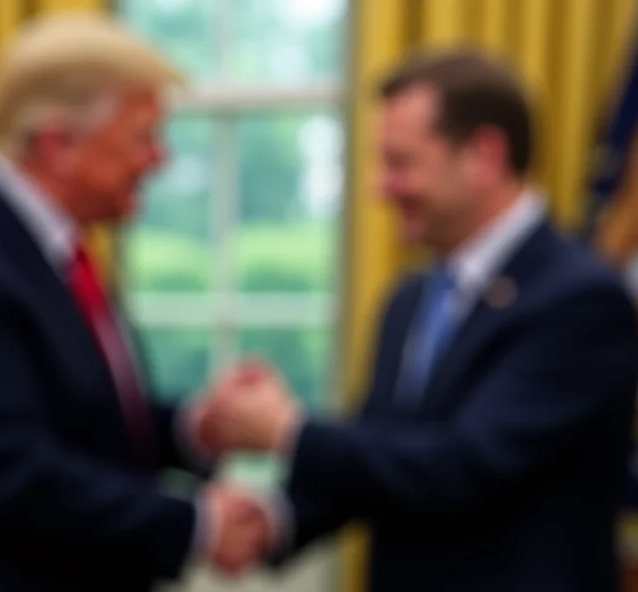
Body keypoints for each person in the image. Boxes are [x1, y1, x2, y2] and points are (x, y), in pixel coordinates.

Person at [0, 14, 271, 592]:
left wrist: (194, 428)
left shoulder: (50, 248)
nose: (159, 160)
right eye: (142, 138)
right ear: (59, 144)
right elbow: (8, 475)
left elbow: (83, 418)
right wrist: (197, 526)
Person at [202, 50, 638, 592]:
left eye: (400, 163)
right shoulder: (409, 298)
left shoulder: (581, 300)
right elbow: (380, 450)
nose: (381, 188)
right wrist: (272, 522)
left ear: (484, 156)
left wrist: (289, 431)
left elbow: (463, 468)